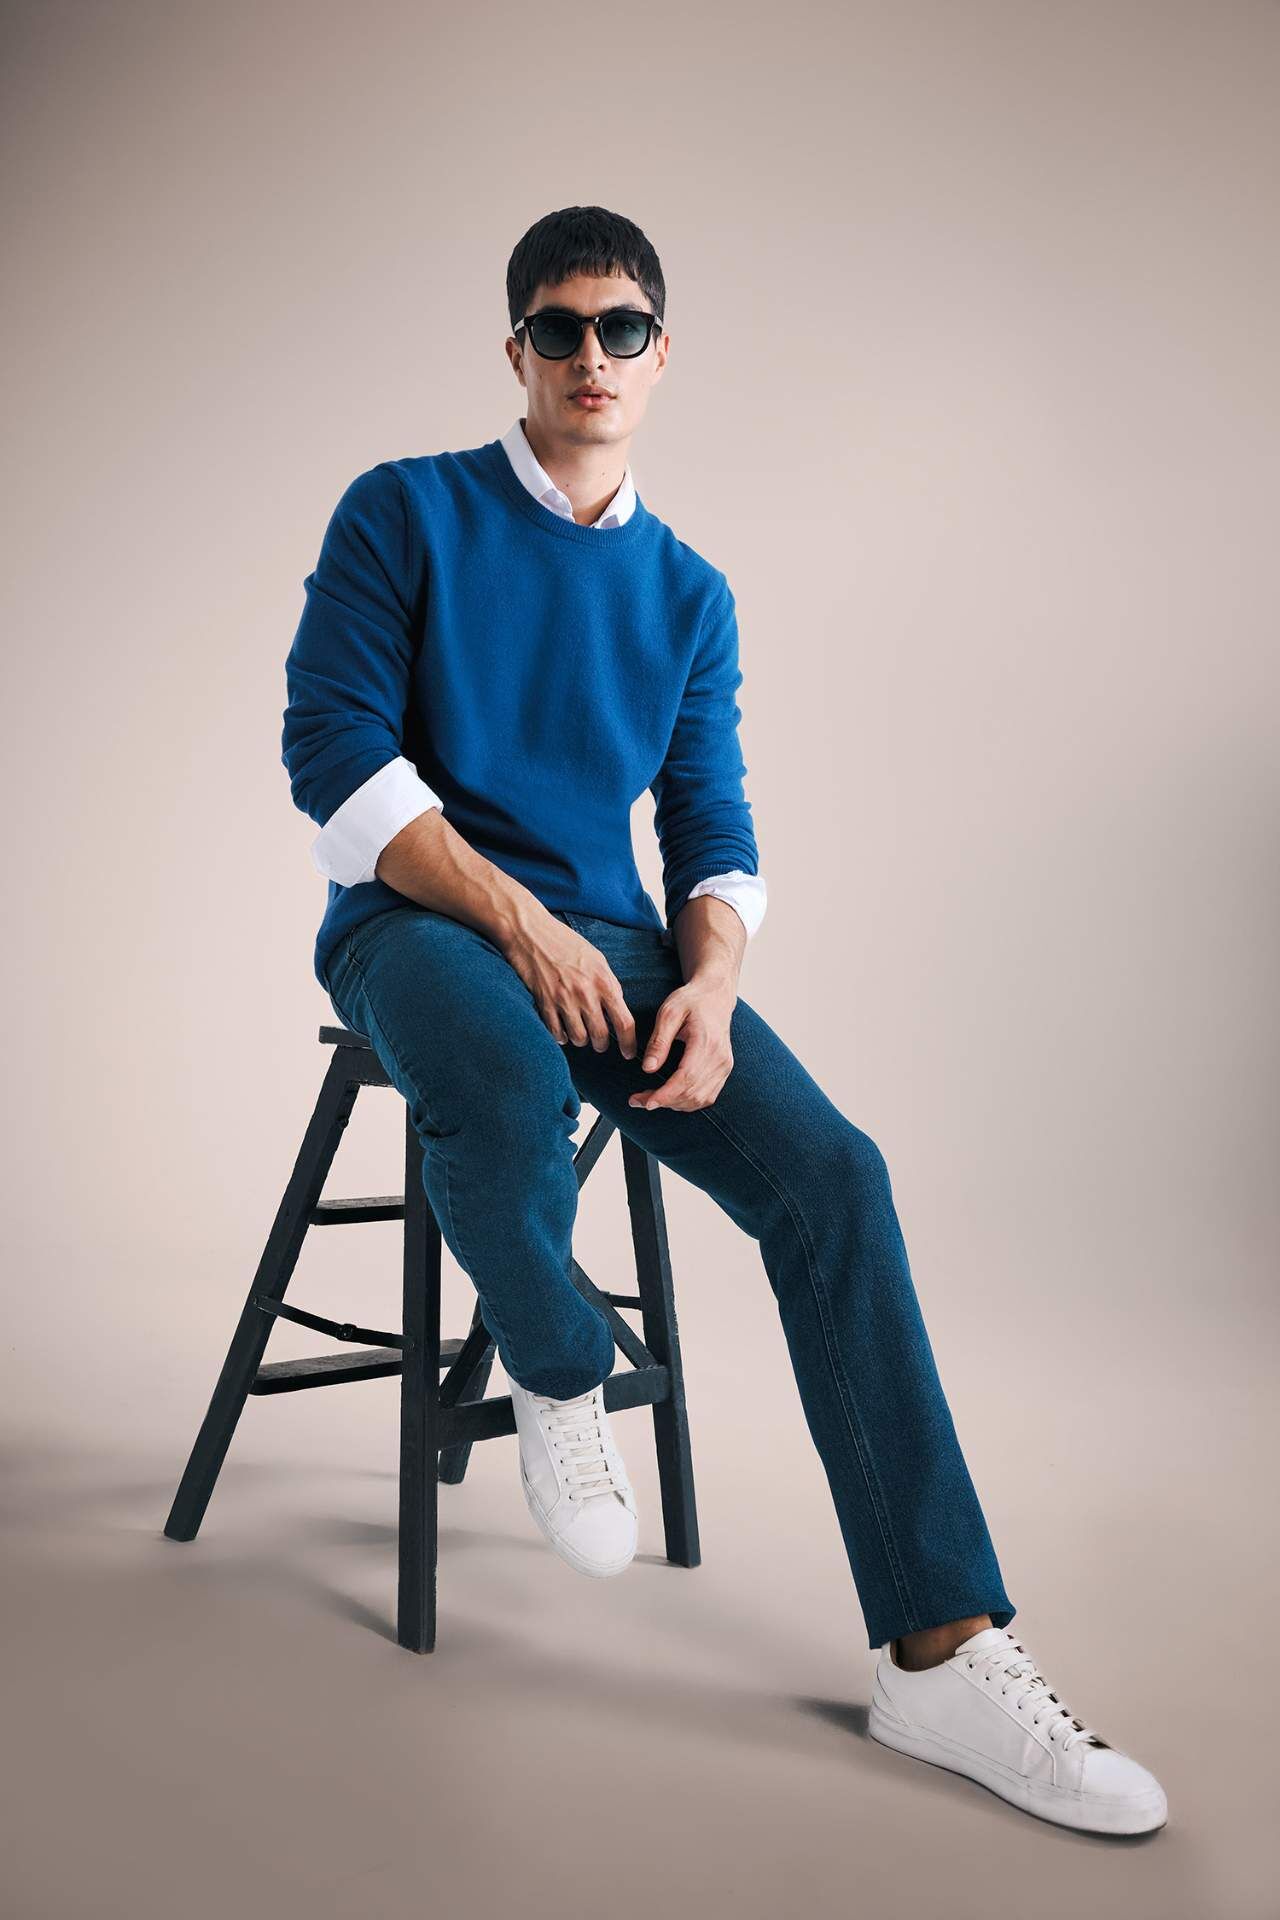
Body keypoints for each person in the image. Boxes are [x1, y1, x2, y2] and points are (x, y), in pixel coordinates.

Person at [281, 204, 1166, 1836]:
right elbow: (332, 755)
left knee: (835, 1179)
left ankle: (940, 1651)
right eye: (561, 328)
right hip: (417, 920)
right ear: (517, 350)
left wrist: (710, 981)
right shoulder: (405, 511)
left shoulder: (689, 594)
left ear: (660, 353)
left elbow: (711, 821)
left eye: (621, 328)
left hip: (620, 946)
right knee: (500, 1072)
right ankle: (562, 1367)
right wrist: (523, 920)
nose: (592, 356)